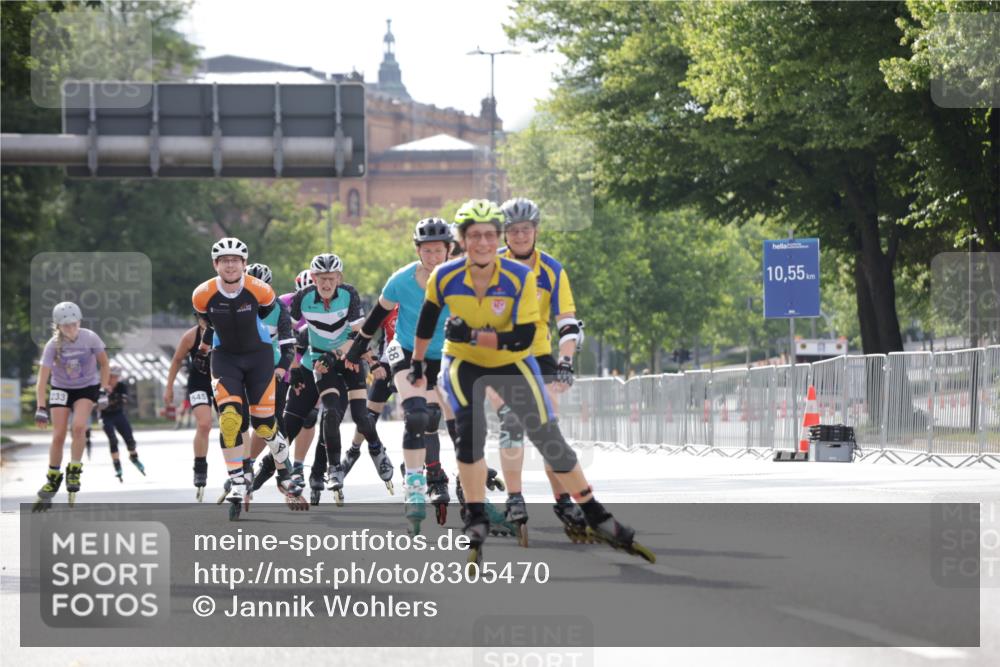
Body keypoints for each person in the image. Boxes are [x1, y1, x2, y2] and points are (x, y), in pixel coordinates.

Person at [409, 199, 654, 567]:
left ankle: (594, 513)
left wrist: (478, 335)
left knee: (547, 434)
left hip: (516, 358)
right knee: (471, 431)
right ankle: (479, 516)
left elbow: (523, 337)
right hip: (462, 361)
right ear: (462, 239)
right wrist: (417, 363)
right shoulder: (444, 276)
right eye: (474, 236)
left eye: (490, 235)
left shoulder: (522, 276)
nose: (483, 243)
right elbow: (427, 322)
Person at [490, 196, 591, 543]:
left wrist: (565, 362)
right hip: (499, 357)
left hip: (540, 355)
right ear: (504, 234)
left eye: (526, 230)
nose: (519, 236)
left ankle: (563, 501)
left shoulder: (552, 269)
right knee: (512, 423)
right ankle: (514, 498)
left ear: (536, 231)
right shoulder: (488, 267)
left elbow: (567, 322)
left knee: (549, 431)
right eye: (513, 230)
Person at [345, 218, 452, 533]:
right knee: (417, 414)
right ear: (418, 251)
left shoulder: (459, 279)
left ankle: (437, 473)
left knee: (433, 416)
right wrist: (358, 349)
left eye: (439, 251)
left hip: (442, 354)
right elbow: (377, 316)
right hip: (405, 351)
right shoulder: (400, 280)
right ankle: (415, 485)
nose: (433, 258)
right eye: (427, 251)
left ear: (449, 250)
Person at [192, 237, 304, 519]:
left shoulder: (261, 290)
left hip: (259, 357)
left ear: (244, 264)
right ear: (215, 264)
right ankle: (238, 480)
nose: (230, 265)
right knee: (229, 419)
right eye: (224, 260)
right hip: (225, 357)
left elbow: (265, 313)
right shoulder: (202, 294)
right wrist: (204, 351)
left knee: (265, 425)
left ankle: (284, 466)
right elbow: (208, 321)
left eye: (235, 260)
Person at [286, 253, 372, 506]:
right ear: (312, 280)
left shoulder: (348, 297)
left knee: (328, 416)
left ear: (338, 279)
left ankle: (318, 474)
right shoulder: (295, 300)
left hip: (336, 361)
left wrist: (367, 357)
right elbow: (282, 328)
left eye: (330, 279)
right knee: (296, 422)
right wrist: (290, 365)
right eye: (320, 279)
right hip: (305, 364)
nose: (325, 285)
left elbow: (359, 332)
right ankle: (284, 470)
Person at [32, 302, 111, 510]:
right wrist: (41, 407)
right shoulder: (52, 345)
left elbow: (104, 363)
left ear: (79, 321)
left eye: (74, 324)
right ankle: (53, 475)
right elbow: (42, 381)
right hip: (61, 388)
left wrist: (103, 390)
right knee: (58, 435)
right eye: (66, 326)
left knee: (78, 427)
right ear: (58, 326)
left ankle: (74, 469)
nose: (71, 329)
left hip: (86, 387)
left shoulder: (90, 338)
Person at [165, 316, 215, 501]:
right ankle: (200, 466)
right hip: (199, 383)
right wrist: (169, 386)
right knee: (204, 424)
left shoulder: (225, 332)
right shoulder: (190, 336)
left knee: (232, 426)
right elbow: (177, 360)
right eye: (202, 318)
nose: (206, 322)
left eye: (209, 318)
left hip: (222, 382)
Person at [100, 363, 145, 481]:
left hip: (118, 414)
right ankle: (117, 464)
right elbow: (98, 405)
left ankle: (134, 457)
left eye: (116, 377)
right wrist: (105, 394)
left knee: (129, 439)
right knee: (113, 439)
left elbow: (123, 401)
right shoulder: (101, 387)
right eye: (111, 376)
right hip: (105, 417)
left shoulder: (121, 386)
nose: (113, 379)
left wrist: (109, 397)